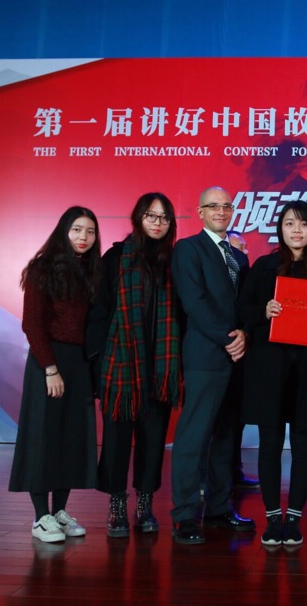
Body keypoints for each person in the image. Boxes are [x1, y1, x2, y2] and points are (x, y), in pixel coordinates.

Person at [239, 201, 307, 546]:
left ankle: (294, 518)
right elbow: (243, 309)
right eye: (289, 224)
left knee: (303, 445)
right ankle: (272, 518)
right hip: (268, 367)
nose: (296, 230)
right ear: (279, 230)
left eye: (303, 224)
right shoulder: (264, 267)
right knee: (269, 444)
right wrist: (263, 310)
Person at [87, 193, 183, 537]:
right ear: (138, 218)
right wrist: (98, 362)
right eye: (151, 215)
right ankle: (116, 506)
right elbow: (98, 312)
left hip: (161, 366)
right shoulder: (115, 258)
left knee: (153, 440)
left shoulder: (176, 261)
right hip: (121, 366)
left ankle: (144, 505)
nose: (158, 223)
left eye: (164, 217)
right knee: (115, 440)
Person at [9, 206, 101, 543]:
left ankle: (59, 512)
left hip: (79, 363)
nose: (83, 237)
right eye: (77, 229)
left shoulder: (92, 272)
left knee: (71, 438)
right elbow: (32, 324)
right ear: (64, 231)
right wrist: (50, 369)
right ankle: (40, 517)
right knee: (43, 436)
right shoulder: (41, 269)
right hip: (47, 362)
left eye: (90, 231)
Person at [170, 186, 255, 544]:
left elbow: (247, 304)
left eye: (226, 206)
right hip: (206, 356)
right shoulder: (188, 249)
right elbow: (194, 302)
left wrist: (245, 334)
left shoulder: (239, 257)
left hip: (238, 358)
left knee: (227, 438)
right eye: (213, 206)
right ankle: (185, 514)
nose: (221, 211)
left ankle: (219, 507)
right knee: (194, 437)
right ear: (200, 211)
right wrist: (228, 338)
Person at [225, 229, 259, 490]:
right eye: (239, 248)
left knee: (237, 418)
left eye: (246, 248)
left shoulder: (249, 274)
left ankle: (234, 472)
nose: (245, 252)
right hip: (216, 353)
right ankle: (206, 479)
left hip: (244, 356)